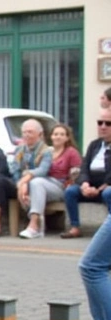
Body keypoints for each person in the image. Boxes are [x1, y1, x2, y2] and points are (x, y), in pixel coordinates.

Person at [61, 98, 111, 239]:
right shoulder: (94, 145)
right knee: (71, 191)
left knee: (109, 193)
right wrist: (84, 184)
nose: (103, 126)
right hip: (89, 185)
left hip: (106, 186)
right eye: (100, 123)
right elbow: (84, 168)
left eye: (108, 123)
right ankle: (75, 227)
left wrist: (100, 189)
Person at [19, 122, 77, 239]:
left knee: (36, 183)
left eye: (61, 134)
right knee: (33, 184)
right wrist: (24, 183)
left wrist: (72, 181)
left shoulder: (71, 152)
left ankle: (34, 225)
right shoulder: (47, 151)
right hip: (43, 184)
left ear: (67, 138)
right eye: (55, 134)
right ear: (51, 136)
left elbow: (77, 173)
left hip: (61, 186)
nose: (58, 137)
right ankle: (36, 224)